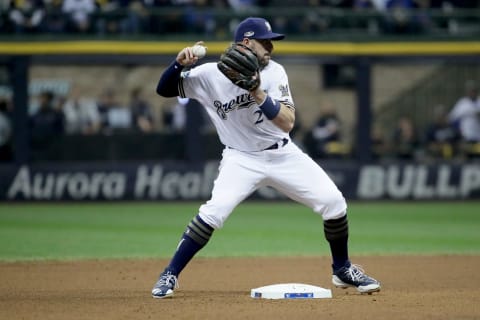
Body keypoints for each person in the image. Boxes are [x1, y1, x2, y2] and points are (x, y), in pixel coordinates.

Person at [151, 17, 381, 299]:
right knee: (214, 211)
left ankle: (342, 269)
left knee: (334, 202)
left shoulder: (274, 72)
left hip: (282, 153)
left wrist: (257, 91)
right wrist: (178, 65)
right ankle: (169, 274)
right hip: (241, 158)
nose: (271, 46)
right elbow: (164, 90)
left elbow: (287, 122)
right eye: (265, 41)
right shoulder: (208, 75)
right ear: (247, 43)